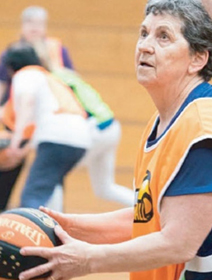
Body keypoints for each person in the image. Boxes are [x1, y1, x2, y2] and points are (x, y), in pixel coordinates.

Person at [18, 1, 212, 280]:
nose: (145, 45)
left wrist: (88, 260)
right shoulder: (163, 121)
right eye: (144, 33)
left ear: (198, 58)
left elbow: (178, 242)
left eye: (163, 36)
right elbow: (150, 217)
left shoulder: (205, 125)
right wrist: (70, 226)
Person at [0, 5, 74, 212]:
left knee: (50, 170)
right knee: (8, 165)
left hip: (48, 119)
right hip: (18, 120)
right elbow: (2, 87)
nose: (34, 28)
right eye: (30, 22)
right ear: (22, 26)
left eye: (39, 23)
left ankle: (54, 218)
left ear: (45, 27)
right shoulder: (11, 53)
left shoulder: (56, 50)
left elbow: (70, 82)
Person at [3, 42, 91, 212]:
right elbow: (42, 120)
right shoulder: (47, 77)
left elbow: (28, 103)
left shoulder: (25, 75)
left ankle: (28, 236)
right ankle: (53, 230)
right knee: (49, 187)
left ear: (11, 67)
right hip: (80, 139)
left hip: (57, 137)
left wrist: (15, 140)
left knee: (32, 195)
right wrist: (25, 147)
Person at [53, 68, 134, 206]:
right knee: (105, 188)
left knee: (52, 172)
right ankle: (147, 210)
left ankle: (49, 221)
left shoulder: (53, 80)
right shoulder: (67, 75)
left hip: (96, 128)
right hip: (110, 126)